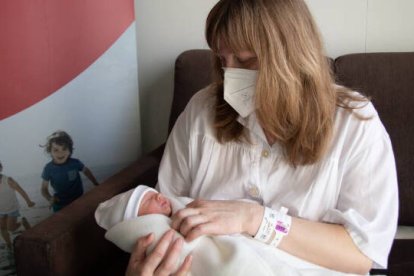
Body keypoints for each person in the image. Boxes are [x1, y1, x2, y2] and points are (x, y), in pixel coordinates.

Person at [127, 0, 399, 275]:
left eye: (246, 61)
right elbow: (166, 215)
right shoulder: (201, 111)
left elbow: (361, 252)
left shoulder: (353, 123)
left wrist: (255, 219)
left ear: (291, 55)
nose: (230, 75)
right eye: (223, 60)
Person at [40, 130, 99, 212]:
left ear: (70, 150)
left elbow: (86, 171)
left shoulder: (75, 163)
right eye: (56, 150)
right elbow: (44, 188)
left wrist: (95, 183)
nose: (60, 153)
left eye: (64, 149)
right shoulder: (48, 168)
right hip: (60, 204)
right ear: (50, 151)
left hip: (79, 200)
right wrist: (50, 198)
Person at [0, 161, 35, 249]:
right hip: (0, 210)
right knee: (2, 228)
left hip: (12, 208)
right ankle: (9, 245)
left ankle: (22, 222)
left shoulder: (8, 180)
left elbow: (20, 190)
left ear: (0, 168)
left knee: (11, 228)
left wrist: (28, 201)